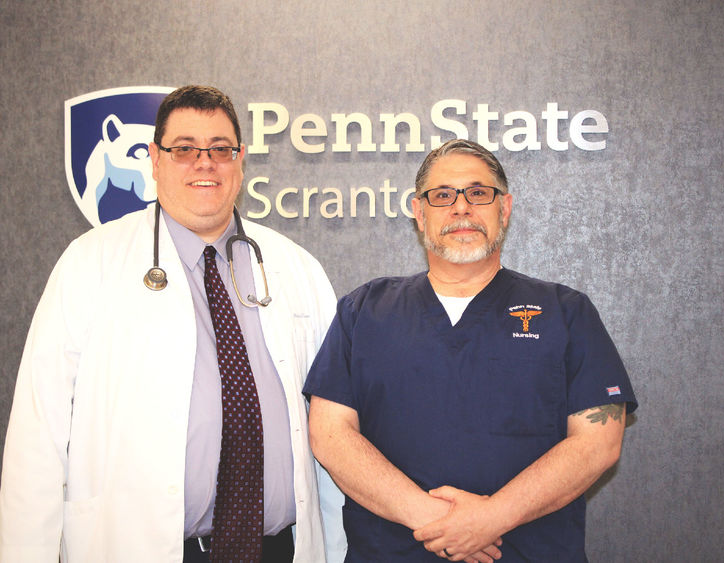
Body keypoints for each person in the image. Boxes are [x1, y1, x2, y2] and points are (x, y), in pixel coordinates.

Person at [0, 85, 345, 563]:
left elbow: (333, 429)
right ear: (154, 160)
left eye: (220, 149)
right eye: (183, 149)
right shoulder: (90, 263)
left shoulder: (297, 269)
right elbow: (38, 435)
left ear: (240, 160)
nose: (204, 163)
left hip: (279, 549)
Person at [303, 139, 637, 562]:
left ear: (505, 208)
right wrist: (436, 521)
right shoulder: (364, 310)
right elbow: (330, 435)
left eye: (478, 193)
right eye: (442, 196)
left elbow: (597, 445)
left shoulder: (566, 312)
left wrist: (492, 518)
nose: (461, 207)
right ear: (420, 214)